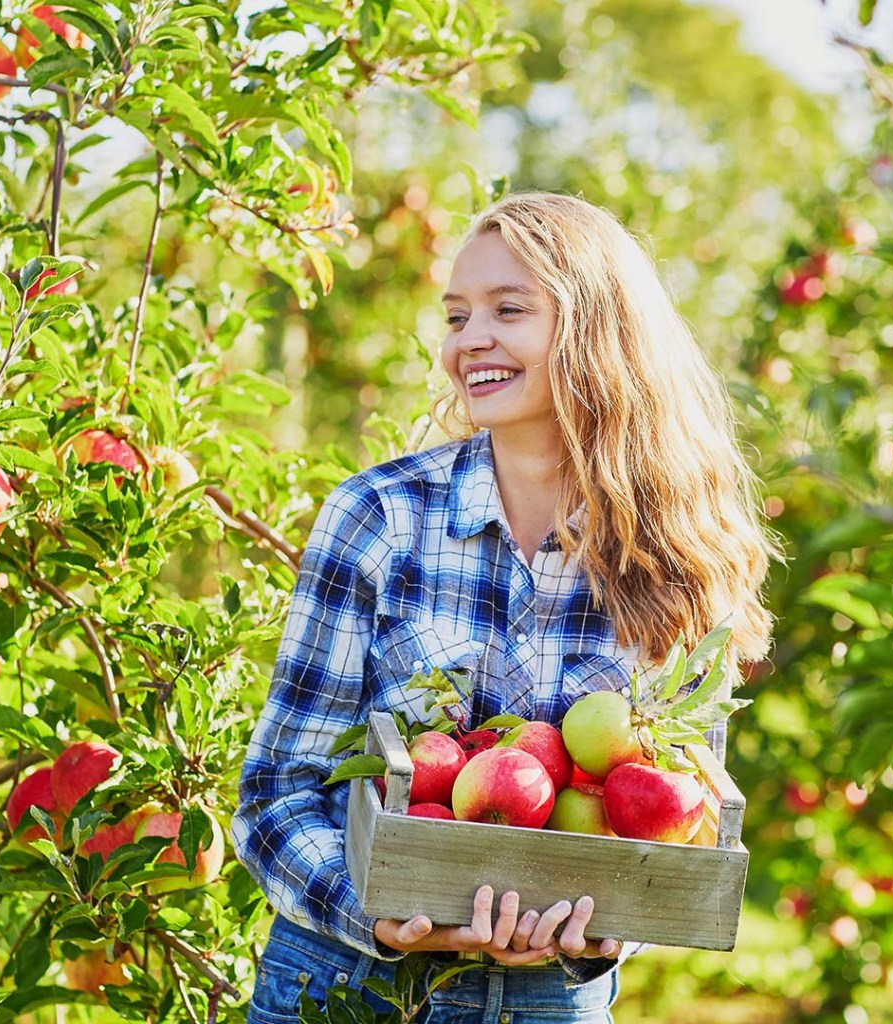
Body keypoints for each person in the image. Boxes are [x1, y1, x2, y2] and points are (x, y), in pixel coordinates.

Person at [232, 191, 775, 1024]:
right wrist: (377, 911)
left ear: (598, 329)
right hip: (348, 986)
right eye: (456, 316)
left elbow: (678, 826)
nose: (467, 341)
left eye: (507, 309)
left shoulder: (677, 557)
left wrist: (601, 931)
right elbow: (276, 790)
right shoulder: (381, 519)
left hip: (547, 1001)